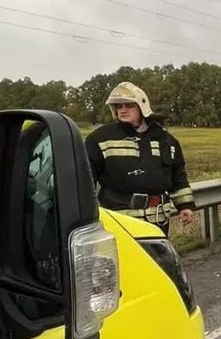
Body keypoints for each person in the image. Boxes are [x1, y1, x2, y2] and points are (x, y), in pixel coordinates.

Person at [84, 81, 196, 235]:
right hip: (118, 222)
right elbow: (86, 180)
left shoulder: (166, 140)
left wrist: (185, 205)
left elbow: (178, 175)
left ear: (141, 107)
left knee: (156, 260)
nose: (122, 110)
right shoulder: (100, 138)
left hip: (158, 223)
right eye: (119, 106)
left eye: (129, 105)